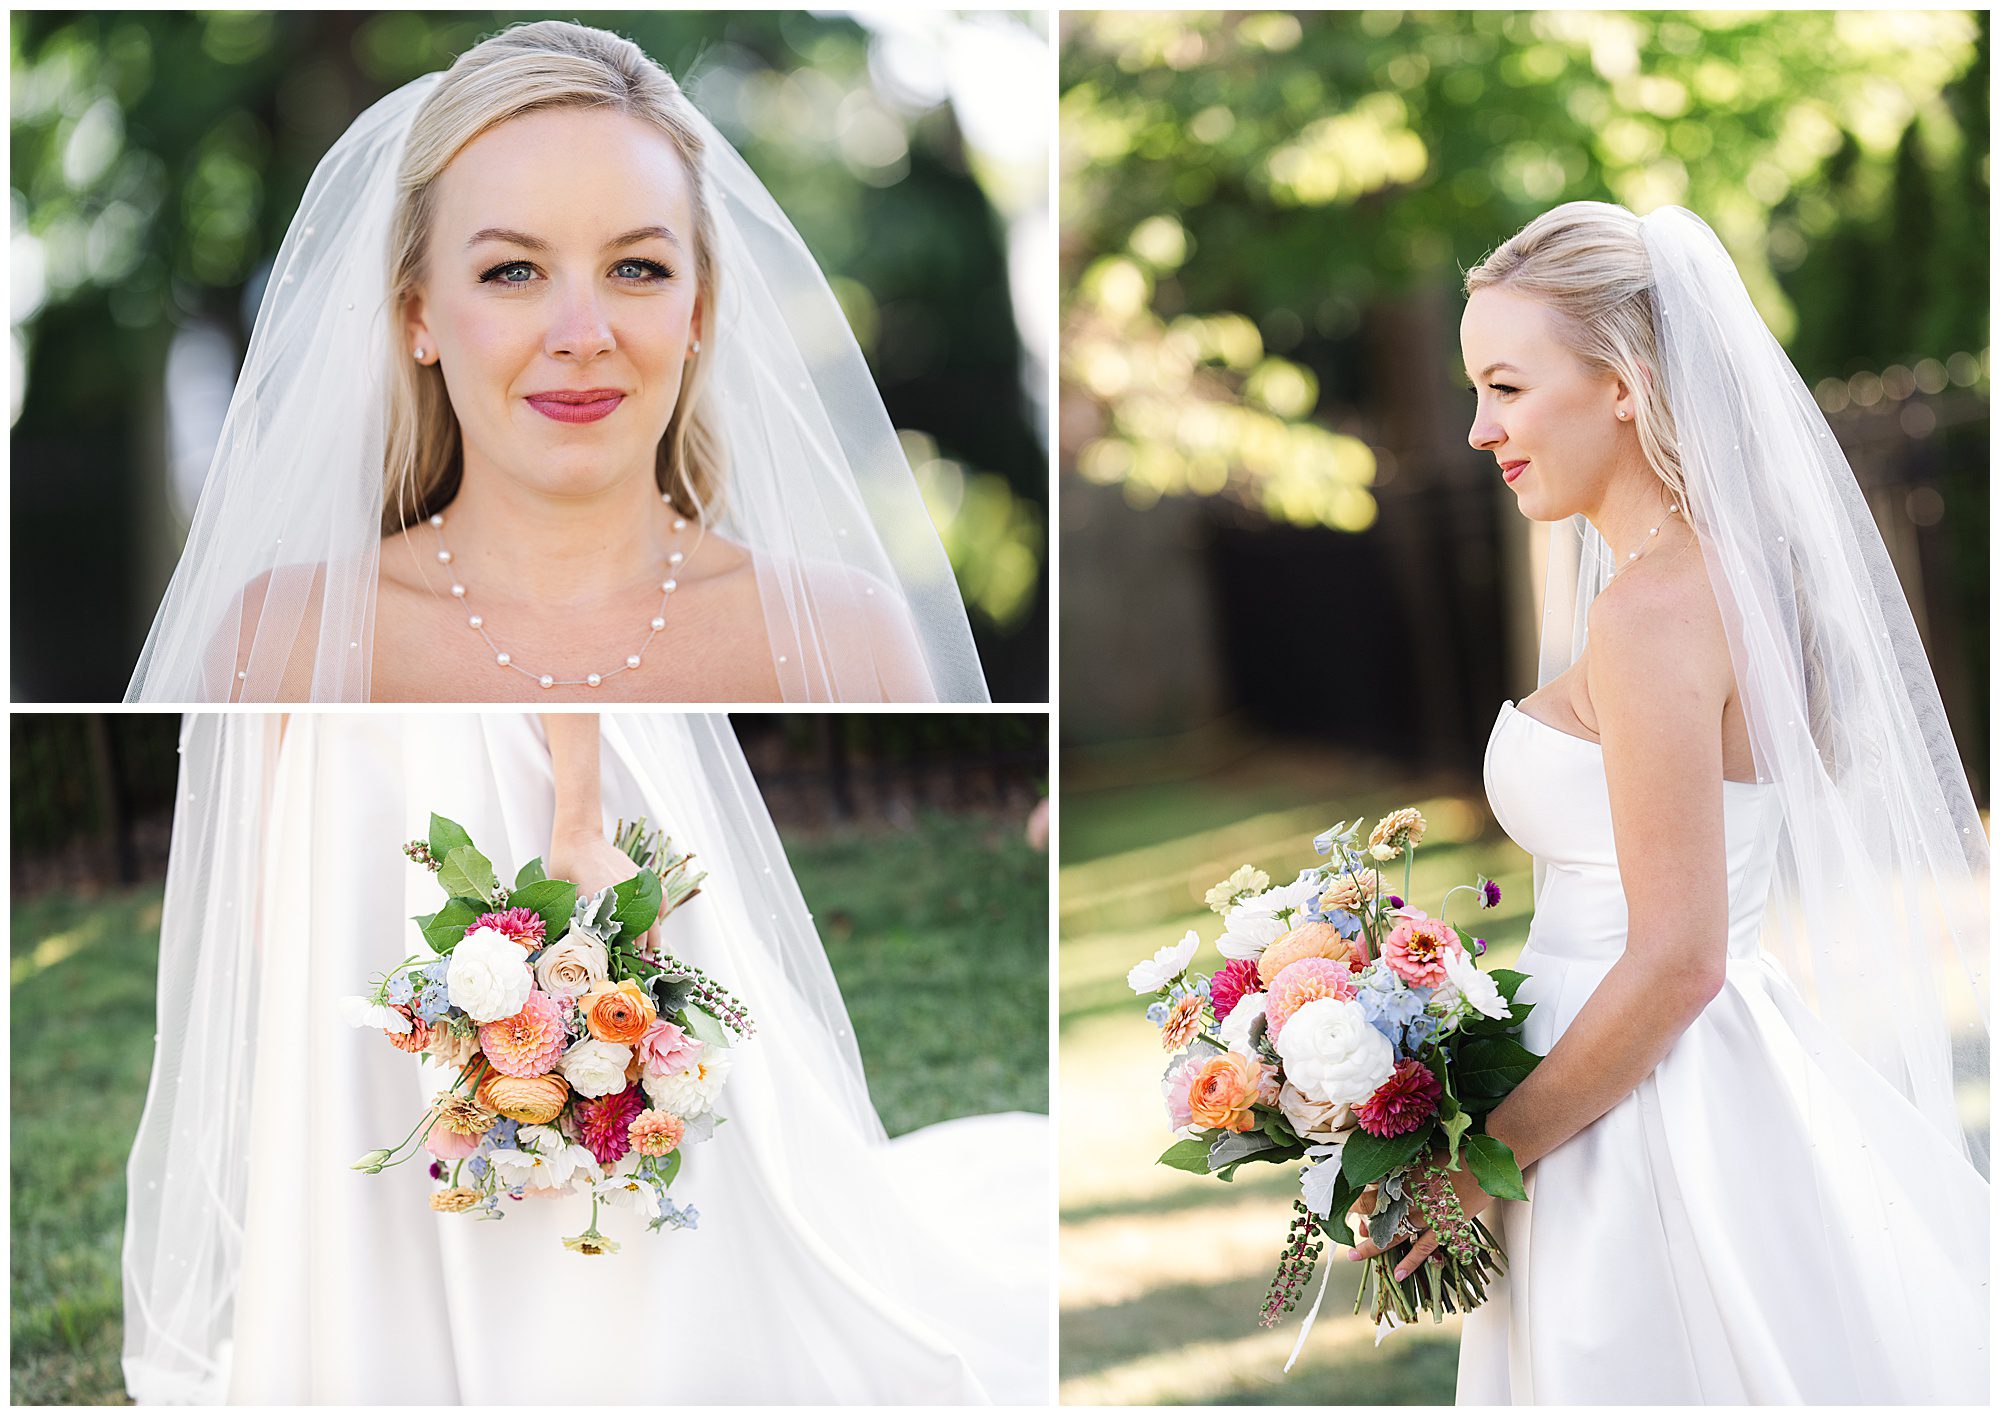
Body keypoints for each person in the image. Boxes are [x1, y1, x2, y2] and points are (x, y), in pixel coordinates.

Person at [1349, 202, 1987, 1402]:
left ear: (1623, 386)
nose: (1479, 430)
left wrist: (1478, 1171)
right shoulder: (1709, 574)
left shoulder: (1651, 612)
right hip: (1680, 1067)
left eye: (1506, 387)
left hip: (1640, 1113)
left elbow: (1678, 955)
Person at [121, 713, 1048, 1403]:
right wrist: (278, 864)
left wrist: (578, 817)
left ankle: (625, 1360)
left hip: (502, 753)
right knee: (379, 1069)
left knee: (607, 1041)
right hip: (345, 784)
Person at [124, 21, 988, 703]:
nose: (582, 333)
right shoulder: (281, 643)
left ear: (699, 312)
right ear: (417, 317)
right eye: (513, 271)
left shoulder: (849, 639)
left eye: (636, 268)